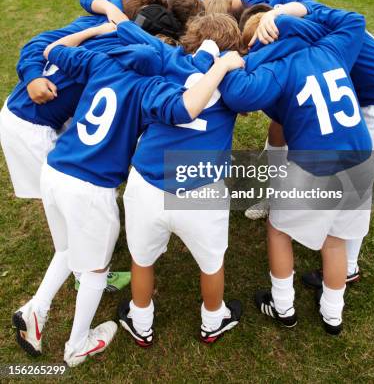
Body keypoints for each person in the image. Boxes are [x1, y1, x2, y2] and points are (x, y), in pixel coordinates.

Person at [12, 21, 239, 366]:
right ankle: (77, 345)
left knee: (68, 249)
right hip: (91, 184)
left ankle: (36, 309)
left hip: (54, 170)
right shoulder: (151, 86)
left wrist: (93, 32)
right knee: (96, 270)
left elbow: (48, 50)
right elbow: (185, 109)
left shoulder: (101, 62)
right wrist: (220, 64)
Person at [218, 5, 374, 334]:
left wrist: (236, 60)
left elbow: (237, 93)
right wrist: (291, 9)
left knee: (278, 230)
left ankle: (283, 305)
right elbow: (353, 19)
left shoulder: (277, 68)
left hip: (317, 164)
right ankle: (333, 314)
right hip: (361, 158)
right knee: (335, 240)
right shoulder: (329, 48)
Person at [246, 0, 374, 286]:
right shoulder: (305, 18)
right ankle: (283, 199)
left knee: (356, 184)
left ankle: (347, 265)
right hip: (369, 97)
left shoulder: (298, 35)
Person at [112, 12, 252, 345]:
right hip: (200, 187)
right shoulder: (234, 83)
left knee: (142, 259)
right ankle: (212, 319)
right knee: (212, 263)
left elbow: (132, 34)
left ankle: (141, 319)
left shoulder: (167, 62)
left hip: (148, 180)